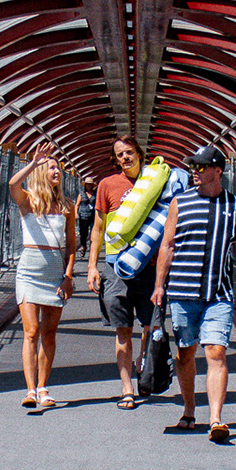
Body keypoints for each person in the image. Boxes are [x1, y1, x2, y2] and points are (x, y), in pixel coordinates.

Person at [152, 145, 236, 442]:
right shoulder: (179, 203)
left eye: (199, 168)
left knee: (216, 352)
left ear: (217, 171)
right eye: (193, 168)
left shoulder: (234, 207)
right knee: (186, 354)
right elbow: (167, 246)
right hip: (182, 293)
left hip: (217, 293)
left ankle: (216, 419)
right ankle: (189, 408)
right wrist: (159, 285)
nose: (194, 173)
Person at [85, 135, 156, 409]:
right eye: (120, 154)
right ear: (115, 159)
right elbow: (98, 228)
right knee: (122, 330)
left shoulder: (154, 182)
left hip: (149, 268)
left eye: (129, 152)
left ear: (139, 154)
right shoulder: (107, 185)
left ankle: (144, 360)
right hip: (116, 268)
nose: (125, 157)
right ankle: (127, 388)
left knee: (151, 326)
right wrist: (92, 266)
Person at [9, 143, 75, 412]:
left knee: (48, 333)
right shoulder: (27, 200)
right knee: (31, 331)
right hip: (29, 270)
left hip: (54, 273)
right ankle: (30, 389)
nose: (56, 171)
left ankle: (44, 387)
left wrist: (68, 276)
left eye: (57, 167)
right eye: (51, 168)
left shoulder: (67, 206)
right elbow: (12, 184)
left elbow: (71, 244)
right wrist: (33, 163)